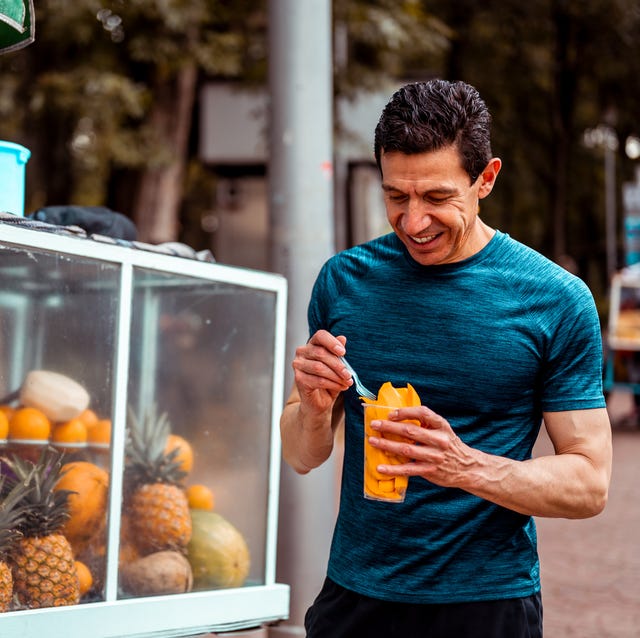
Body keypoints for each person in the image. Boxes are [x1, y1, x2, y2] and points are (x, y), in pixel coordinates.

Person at [280, 79, 612, 638]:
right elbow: (301, 454)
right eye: (396, 196)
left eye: (437, 198)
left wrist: (463, 466)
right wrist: (313, 408)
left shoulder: (556, 299)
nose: (413, 222)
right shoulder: (343, 281)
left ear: (485, 179)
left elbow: (589, 483)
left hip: (487, 605)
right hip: (354, 598)